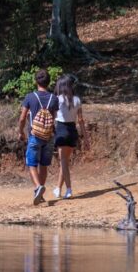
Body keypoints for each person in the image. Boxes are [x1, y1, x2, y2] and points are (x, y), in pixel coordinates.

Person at [18, 68, 58, 205]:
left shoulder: (30, 97)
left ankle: (38, 187)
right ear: (49, 82)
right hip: (49, 136)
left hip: (34, 135)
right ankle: (39, 195)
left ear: (36, 81)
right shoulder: (54, 98)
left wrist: (20, 131)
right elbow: (54, 118)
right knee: (44, 165)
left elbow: (22, 117)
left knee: (31, 163)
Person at [51, 74, 87, 199]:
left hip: (61, 129)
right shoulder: (77, 99)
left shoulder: (57, 99)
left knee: (64, 162)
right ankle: (58, 188)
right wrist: (86, 138)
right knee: (64, 161)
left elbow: (52, 116)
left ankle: (69, 189)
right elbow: (81, 120)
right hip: (73, 131)